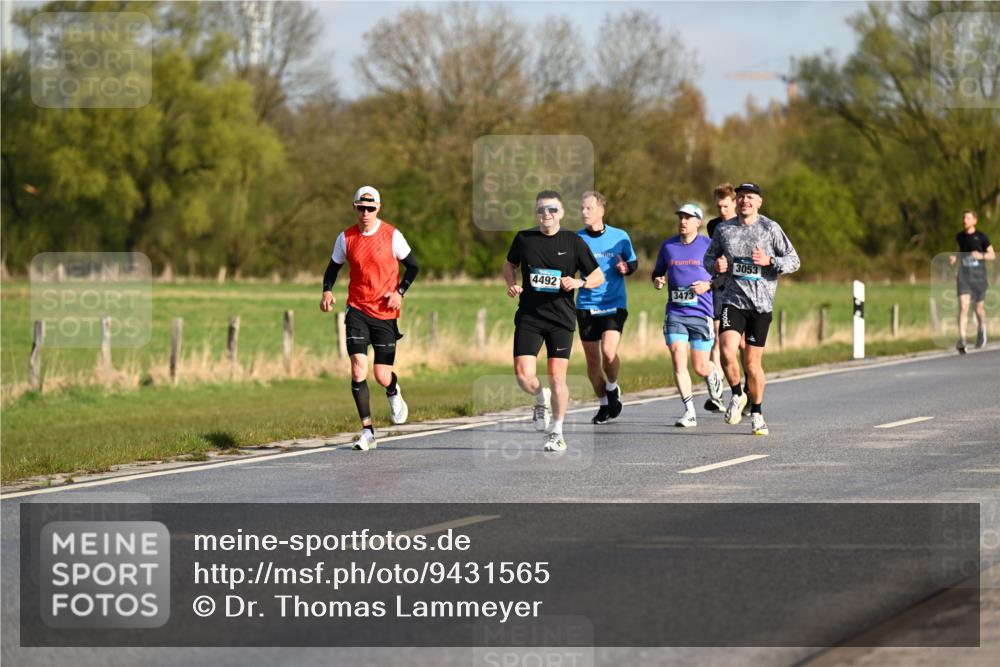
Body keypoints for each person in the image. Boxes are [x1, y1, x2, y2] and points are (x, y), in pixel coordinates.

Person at [320, 186, 419, 451]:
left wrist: (400, 292)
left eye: (370, 208)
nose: (365, 213)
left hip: (385, 312)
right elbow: (332, 268)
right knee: (357, 368)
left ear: (378, 208)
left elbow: (414, 266)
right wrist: (327, 290)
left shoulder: (392, 235)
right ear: (354, 208)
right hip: (357, 309)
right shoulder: (346, 238)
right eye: (361, 208)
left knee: (381, 374)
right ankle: (367, 431)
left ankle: (393, 391)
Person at [504, 190, 604, 451]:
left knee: (557, 377)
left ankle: (557, 432)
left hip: (561, 318)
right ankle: (540, 398)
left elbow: (598, 276)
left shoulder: (573, 242)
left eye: (551, 209)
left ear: (561, 213)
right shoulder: (524, 239)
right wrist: (512, 285)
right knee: (523, 375)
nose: (546, 214)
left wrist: (579, 282)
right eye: (541, 210)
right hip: (529, 316)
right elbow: (508, 264)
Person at [703, 183, 800, 436]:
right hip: (733, 300)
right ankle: (737, 395)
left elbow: (794, 260)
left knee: (752, 364)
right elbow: (708, 259)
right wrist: (717, 265)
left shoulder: (770, 228)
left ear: (759, 202)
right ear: (736, 202)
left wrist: (771, 261)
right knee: (725, 352)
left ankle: (757, 412)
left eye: (750, 197)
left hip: (760, 305)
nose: (745, 201)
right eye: (741, 197)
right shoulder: (724, 230)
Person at [652, 204, 725, 427]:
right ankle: (689, 411)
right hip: (675, 312)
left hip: (701, 312)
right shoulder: (668, 246)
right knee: (676, 354)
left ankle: (712, 374)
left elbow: (723, 276)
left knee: (700, 366)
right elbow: (657, 271)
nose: (683, 221)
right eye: (680, 217)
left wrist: (708, 284)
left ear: (698, 222)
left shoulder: (708, 245)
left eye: (688, 218)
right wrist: (658, 280)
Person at [575, 191, 638, 424]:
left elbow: (632, 262)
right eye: (581, 209)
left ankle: (612, 387)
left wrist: (626, 269)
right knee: (592, 361)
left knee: (609, 353)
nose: (583, 212)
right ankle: (603, 404)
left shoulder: (619, 236)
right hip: (585, 304)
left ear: (601, 210)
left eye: (588, 208)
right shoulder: (576, 238)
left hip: (613, 303)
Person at [704, 183, 739, 413]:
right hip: (719, 285)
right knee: (718, 337)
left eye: (725, 206)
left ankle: (743, 388)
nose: (722, 210)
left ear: (735, 203)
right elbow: (712, 254)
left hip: (742, 288)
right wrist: (716, 266)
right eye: (718, 206)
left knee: (742, 345)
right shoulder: (713, 226)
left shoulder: (745, 223)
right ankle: (717, 394)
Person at [949, 209, 994, 353]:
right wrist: (954, 258)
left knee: (978, 308)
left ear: (975, 220)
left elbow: (992, 255)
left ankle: (982, 329)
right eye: (963, 218)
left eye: (967, 218)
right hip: (964, 276)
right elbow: (958, 251)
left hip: (979, 277)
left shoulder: (982, 237)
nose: (964, 221)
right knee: (963, 307)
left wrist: (980, 256)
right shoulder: (960, 237)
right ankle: (962, 340)